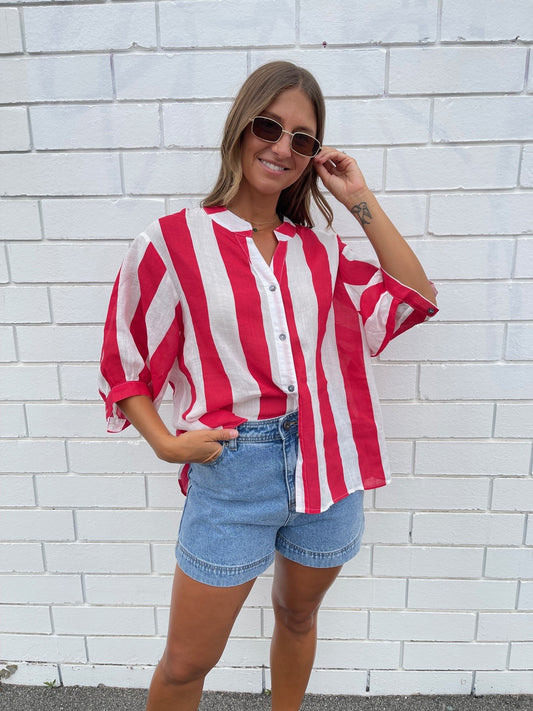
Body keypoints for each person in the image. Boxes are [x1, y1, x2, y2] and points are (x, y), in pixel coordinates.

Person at [99, 61, 438, 711]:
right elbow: (124, 360)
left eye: (302, 139)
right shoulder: (172, 242)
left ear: (313, 155)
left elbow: (412, 297)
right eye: (268, 126)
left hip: (326, 464)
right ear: (240, 129)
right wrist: (167, 445)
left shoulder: (319, 251)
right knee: (185, 661)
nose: (282, 147)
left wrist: (357, 197)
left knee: (297, 616)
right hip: (232, 467)